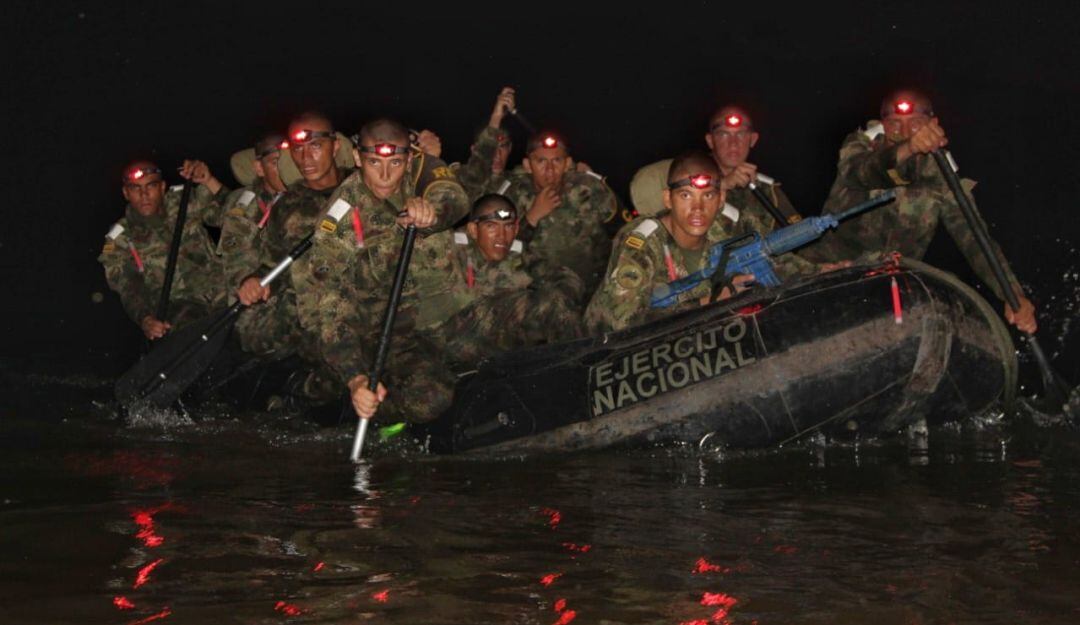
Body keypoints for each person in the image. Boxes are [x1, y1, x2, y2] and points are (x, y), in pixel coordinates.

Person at [814, 89, 1037, 332]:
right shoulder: (859, 147)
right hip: (828, 275)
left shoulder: (942, 173)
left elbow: (974, 237)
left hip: (885, 289)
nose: (905, 131)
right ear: (883, 125)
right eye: (895, 124)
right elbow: (862, 172)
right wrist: (909, 148)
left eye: (915, 124)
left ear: (933, 124)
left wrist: (1012, 294)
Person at [296, 117, 471, 424]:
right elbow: (330, 307)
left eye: (396, 163)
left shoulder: (421, 168)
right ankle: (373, 410)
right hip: (390, 333)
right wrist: (355, 379)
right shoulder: (338, 220)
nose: (386, 175)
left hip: (450, 315)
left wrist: (432, 214)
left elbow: (454, 196)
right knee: (430, 399)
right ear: (356, 157)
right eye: (374, 162)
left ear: (409, 159)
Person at [586, 152, 758, 333]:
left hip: (701, 333)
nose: (698, 208)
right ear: (668, 199)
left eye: (708, 196)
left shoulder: (730, 224)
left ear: (721, 199)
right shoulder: (642, 242)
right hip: (609, 343)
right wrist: (710, 302)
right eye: (686, 195)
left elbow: (774, 262)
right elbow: (622, 322)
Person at [231, 112, 350, 364]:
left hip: (359, 298)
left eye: (315, 146)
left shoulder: (361, 186)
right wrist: (255, 280)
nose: (305, 158)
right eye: (297, 149)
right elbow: (273, 263)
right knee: (249, 333)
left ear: (335, 146)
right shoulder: (286, 205)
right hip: (308, 304)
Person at [428, 193, 585, 366]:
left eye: (508, 226)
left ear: (516, 229)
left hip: (499, 343)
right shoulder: (452, 249)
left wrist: (561, 296)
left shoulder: (517, 253)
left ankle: (573, 367)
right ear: (473, 230)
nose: (502, 236)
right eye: (491, 226)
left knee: (556, 305)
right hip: (452, 341)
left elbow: (566, 277)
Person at [99, 159, 229, 340]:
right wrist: (145, 319)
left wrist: (209, 180)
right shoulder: (120, 239)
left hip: (224, 290)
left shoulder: (185, 201)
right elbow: (128, 286)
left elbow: (234, 215)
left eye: (150, 186)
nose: (144, 195)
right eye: (135, 188)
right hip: (179, 310)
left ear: (162, 187)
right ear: (126, 193)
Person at [629, 105, 801, 230]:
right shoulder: (683, 174)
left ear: (753, 140)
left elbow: (799, 235)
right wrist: (720, 186)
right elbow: (665, 227)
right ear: (710, 141)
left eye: (741, 134)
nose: (733, 143)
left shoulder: (768, 190)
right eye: (724, 134)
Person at [501, 130, 621, 293]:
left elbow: (623, 231)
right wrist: (531, 218)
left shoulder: (590, 189)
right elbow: (500, 247)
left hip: (593, 289)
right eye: (541, 161)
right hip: (539, 294)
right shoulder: (511, 196)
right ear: (528, 165)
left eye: (557, 160)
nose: (550, 169)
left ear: (567, 164)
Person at [217, 133, 289, 292]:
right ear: (259, 168)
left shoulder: (307, 201)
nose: (284, 169)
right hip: (245, 298)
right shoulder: (239, 201)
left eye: (289, 161)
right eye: (275, 162)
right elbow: (233, 261)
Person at [453, 86, 517, 201]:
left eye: (503, 146)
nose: (497, 155)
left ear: (510, 148)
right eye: (491, 148)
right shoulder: (459, 178)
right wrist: (496, 117)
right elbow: (474, 178)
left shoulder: (517, 183)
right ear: (475, 150)